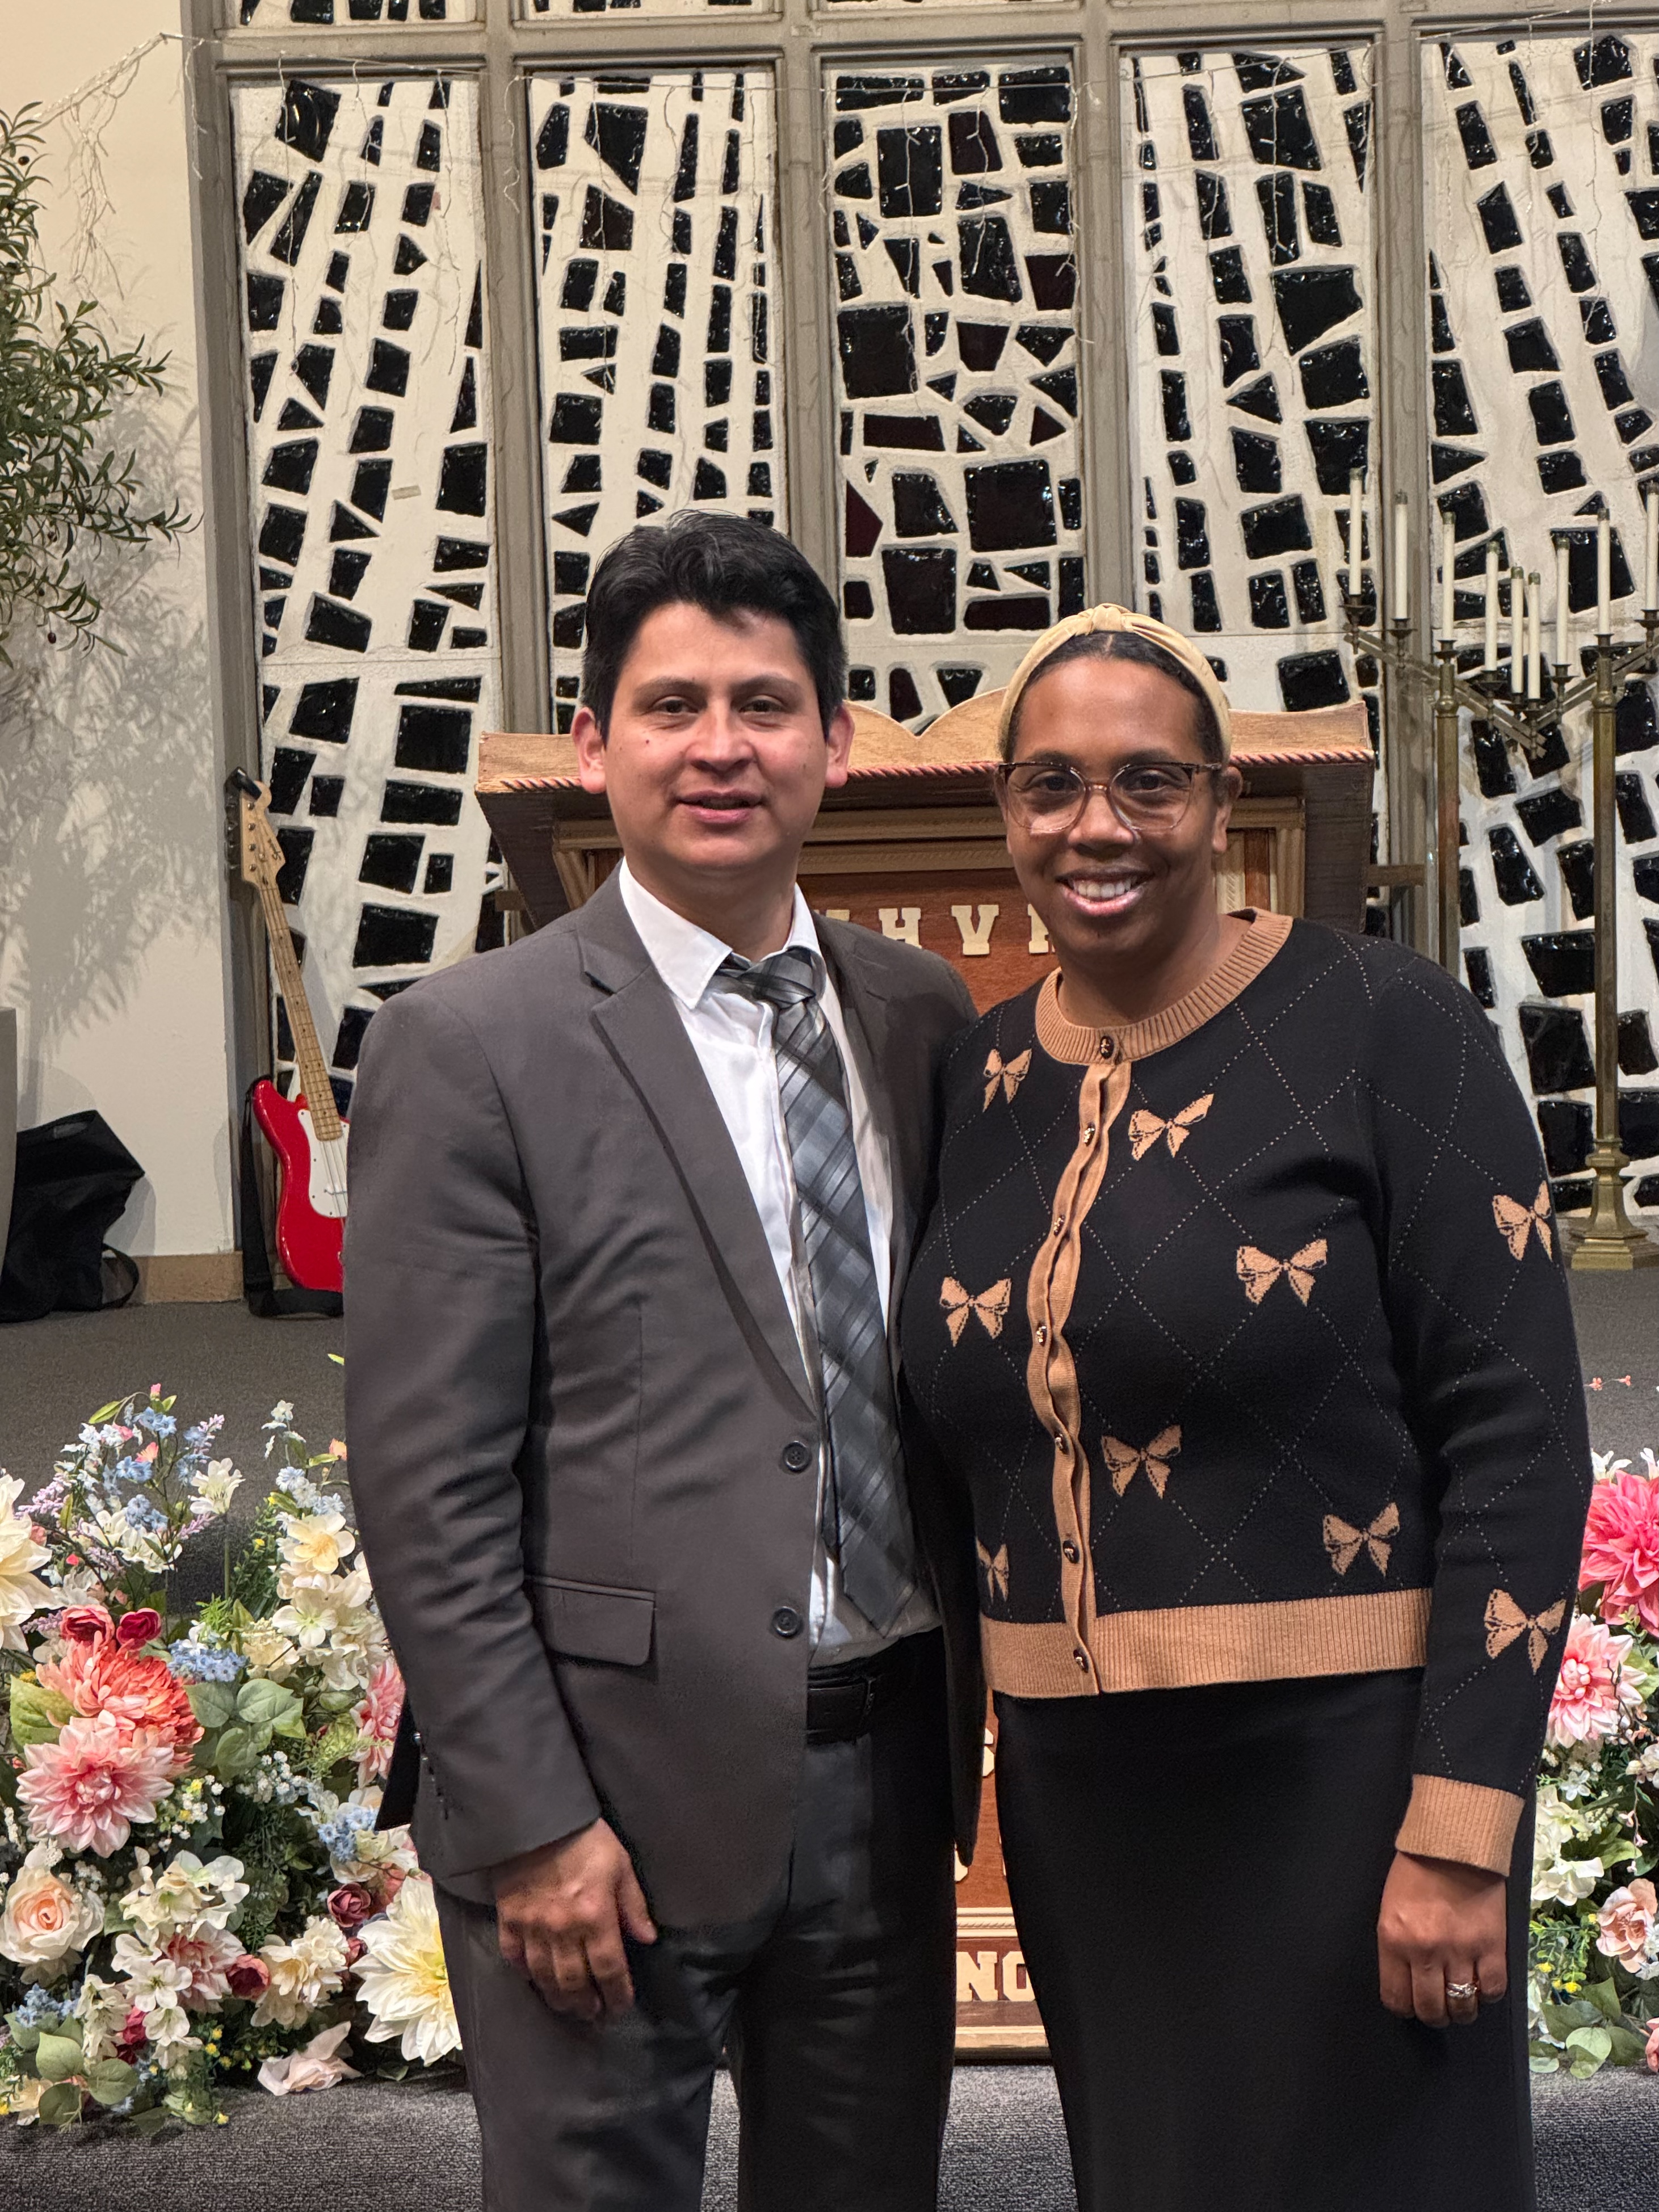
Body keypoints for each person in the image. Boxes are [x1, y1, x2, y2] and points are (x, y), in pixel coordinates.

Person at [899, 603, 1592, 2212]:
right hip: (1085, 1795)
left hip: (1337, 1785)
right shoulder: (980, 1075)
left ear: (1220, 803)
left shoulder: (1379, 1021)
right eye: (1051, 784)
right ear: (1003, 808)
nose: (1097, 825)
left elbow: (1519, 1437)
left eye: (1147, 782)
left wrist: (1456, 1827)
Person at [345, 512, 983, 2212]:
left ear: (835, 744)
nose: (721, 746)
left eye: (766, 705)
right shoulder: (471, 1044)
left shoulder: (918, 1016)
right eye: (672, 704)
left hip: (884, 1754)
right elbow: (426, 1481)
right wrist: (534, 1818)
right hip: (602, 1790)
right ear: (592, 744)